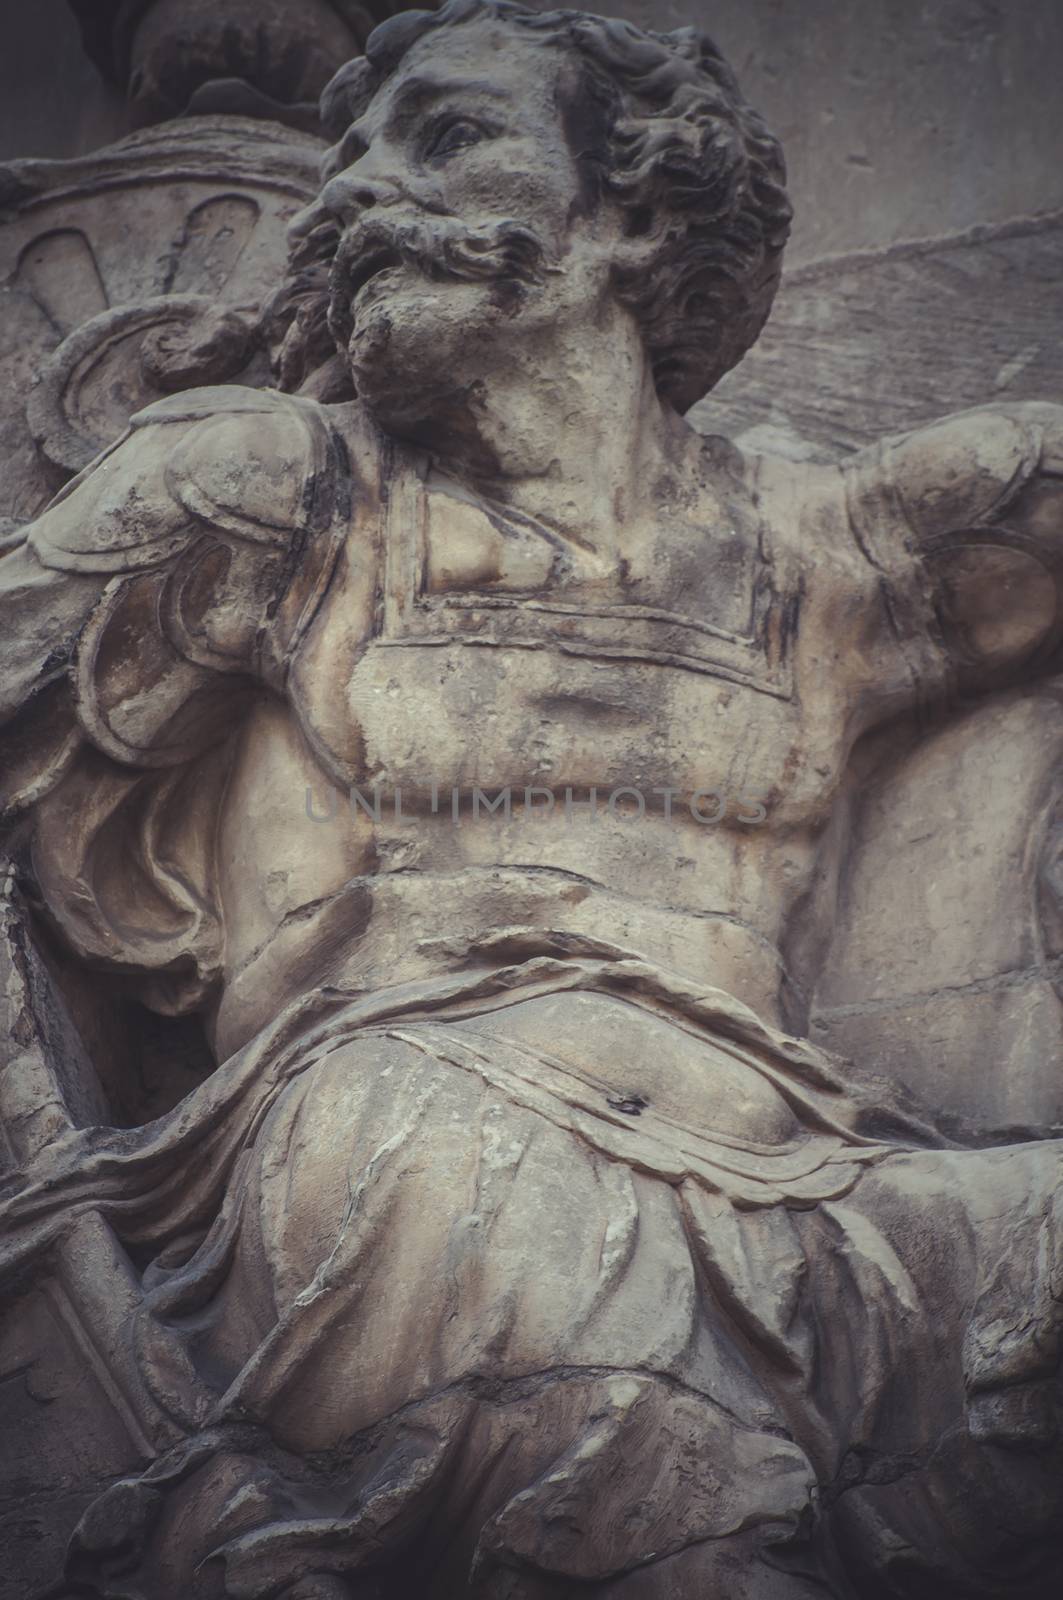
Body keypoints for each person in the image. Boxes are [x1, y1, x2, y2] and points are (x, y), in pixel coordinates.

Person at [1, 4, 1061, 1595]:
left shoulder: (831, 550)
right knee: (640, 1458)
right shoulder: (283, 488)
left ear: (636, 210)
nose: (355, 195)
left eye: (446, 139)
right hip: (407, 1141)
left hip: (809, 1175)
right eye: (344, 159)